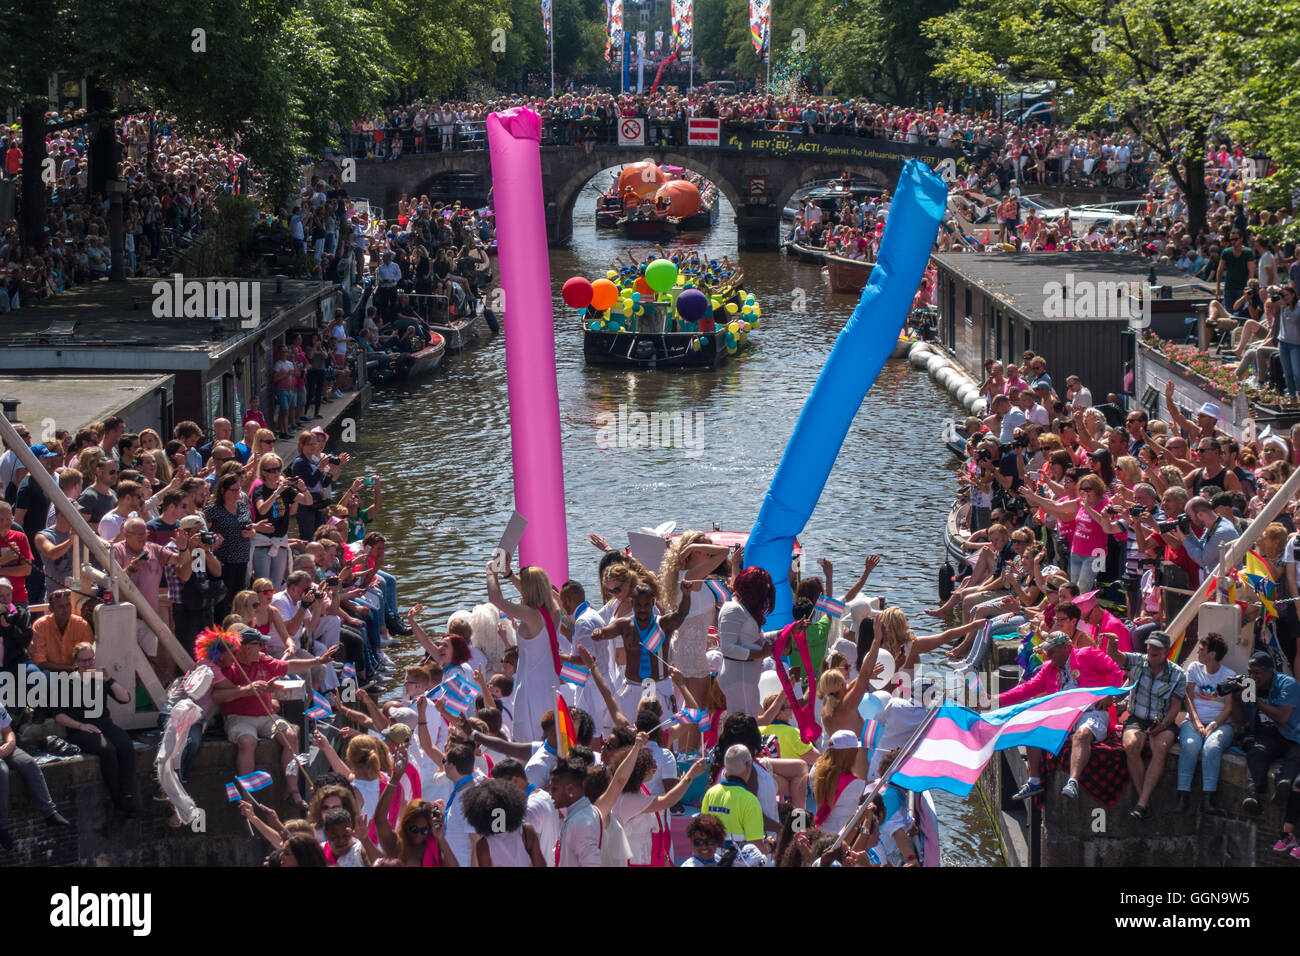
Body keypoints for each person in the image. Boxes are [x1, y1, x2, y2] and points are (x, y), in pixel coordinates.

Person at [998, 631, 1124, 800]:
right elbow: (1026, 689)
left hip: (1093, 711)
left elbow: (1116, 670)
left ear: (1066, 648)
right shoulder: (1048, 667)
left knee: (1082, 735)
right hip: (1064, 715)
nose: (1048, 655)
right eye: (1047, 651)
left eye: (1052, 651)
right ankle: (1034, 781)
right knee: (1031, 725)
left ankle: (1072, 782)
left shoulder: (1087, 654)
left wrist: (1110, 695)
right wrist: (995, 700)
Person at [1105, 630, 1186, 820]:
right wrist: (1113, 644)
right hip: (1137, 718)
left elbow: (1176, 706)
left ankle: (1141, 803)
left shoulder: (1178, 674)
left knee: (1162, 747)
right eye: (1150, 646)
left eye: (1157, 647)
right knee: (1132, 745)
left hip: (1163, 720)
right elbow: (1116, 657)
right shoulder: (1137, 660)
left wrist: (1164, 724)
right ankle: (1144, 802)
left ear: (1166, 650)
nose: (1152, 650)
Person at [51, 642, 137, 817]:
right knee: (108, 750)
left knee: (126, 746)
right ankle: (118, 798)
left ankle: (128, 793)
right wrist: (81, 726)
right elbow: (58, 715)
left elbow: (125, 698)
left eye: (90, 660)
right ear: (76, 662)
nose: (88, 664)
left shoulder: (99, 678)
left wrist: (109, 679)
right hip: (80, 728)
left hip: (103, 723)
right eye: (83, 661)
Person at [1175, 632, 1238, 816]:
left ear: (1212, 654)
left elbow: (1228, 708)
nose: (1198, 653)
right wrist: (1196, 722)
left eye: (1201, 650)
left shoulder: (1229, 676)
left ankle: (1208, 797)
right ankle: (1183, 794)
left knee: (1212, 747)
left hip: (1220, 723)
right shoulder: (1194, 668)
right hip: (1194, 721)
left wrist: (1213, 725)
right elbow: (1188, 698)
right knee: (1190, 746)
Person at [0, 701, 71, 850]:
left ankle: (49, 812)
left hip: (4, 747)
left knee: (29, 763)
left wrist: (11, 744)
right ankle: (3, 827)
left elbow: (8, 731)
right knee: (2, 771)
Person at [1238, 650, 1300, 815]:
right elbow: (1240, 719)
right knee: (1256, 754)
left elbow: (1283, 717)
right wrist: (1237, 697)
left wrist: (1256, 701)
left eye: (1257, 672)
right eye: (1250, 672)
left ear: (1269, 671)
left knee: (1295, 757)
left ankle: (1283, 784)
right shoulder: (1250, 685)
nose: (1252, 676)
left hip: (1293, 734)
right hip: (1269, 736)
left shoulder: (1288, 684)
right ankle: (1253, 795)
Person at [717, 567, 779, 718]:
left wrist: (783, 632)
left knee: (747, 723)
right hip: (738, 680)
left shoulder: (743, 609)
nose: (763, 601)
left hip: (746, 680)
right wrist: (760, 654)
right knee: (742, 725)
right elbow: (727, 648)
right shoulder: (732, 609)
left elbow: (757, 638)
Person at [700, 743, 766, 846]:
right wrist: (769, 846)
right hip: (738, 860)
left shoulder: (710, 793)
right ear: (748, 765)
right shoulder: (750, 800)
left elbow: (703, 831)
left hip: (713, 858)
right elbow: (756, 848)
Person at [811, 730, 868, 834]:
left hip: (820, 832)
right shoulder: (855, 785)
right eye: (856, 751)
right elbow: (873, 789)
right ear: (849, 754)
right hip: (842, 837)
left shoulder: (815, 771)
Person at [29, 588, 93, 672]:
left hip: (78, 673)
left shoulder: (81, 625)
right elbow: (39, 662)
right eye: (60, 607)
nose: (66, 610)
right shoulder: (40, 625)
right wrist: (69, 669)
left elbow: (89, 657)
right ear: (51, 609)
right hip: (50, 673)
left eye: (68, 605)